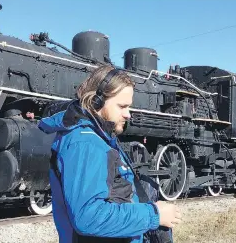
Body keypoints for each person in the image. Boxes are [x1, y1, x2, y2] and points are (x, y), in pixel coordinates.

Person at [38, 65, 182, 243]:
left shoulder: (100, 138)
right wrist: (153, 215)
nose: (128, 114)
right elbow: (88, 217)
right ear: (97, 102)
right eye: (122, 106)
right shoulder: (85, 143)